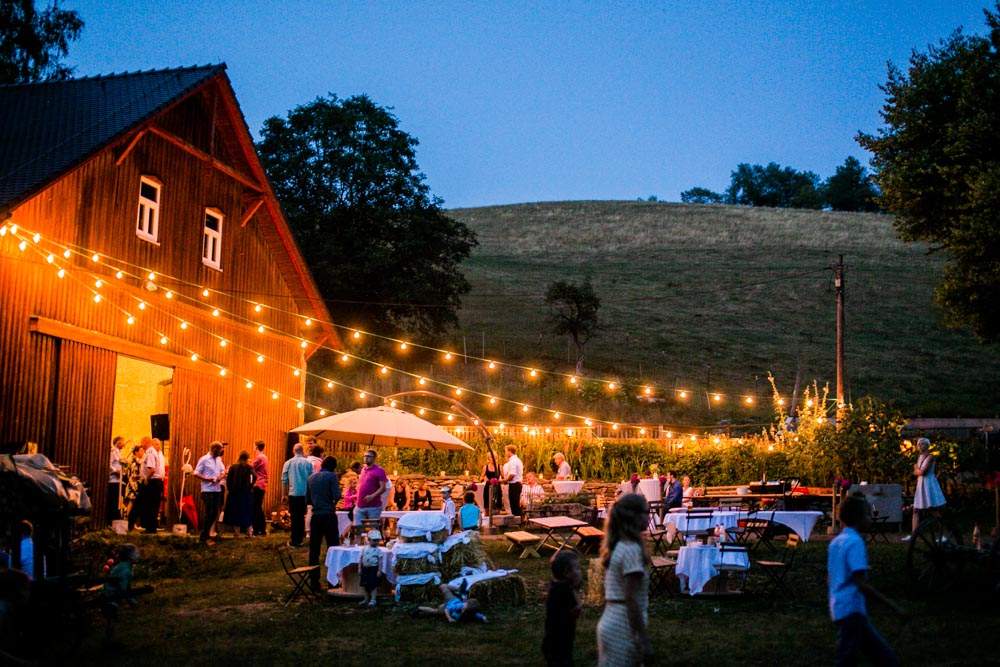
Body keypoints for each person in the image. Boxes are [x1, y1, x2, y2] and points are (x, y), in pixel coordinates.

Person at [828, 493, 906, 666]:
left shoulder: (836, 542)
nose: (871, 518)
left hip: (839, 608)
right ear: (859, 518)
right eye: (868, 515)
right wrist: (892, 606)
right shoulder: (855, 543)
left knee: (881, 655)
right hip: (852, 609)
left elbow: (830, 578)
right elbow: (861, 583)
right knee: (848, 659)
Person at [597, 493, 653, 667]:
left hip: (611, 617)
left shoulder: (620, 545)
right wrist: (642, 637)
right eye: (645, 512)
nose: (649, 517)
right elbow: (631, 597)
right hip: (623, 625)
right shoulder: (631, 549)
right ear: (633, 516)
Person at [99, 543, 149, 643]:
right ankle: (109, 642)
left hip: (107, 595)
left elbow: (124, 585)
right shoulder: (125, 570)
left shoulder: (122, 566)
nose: (138, 555)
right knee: (111, 620)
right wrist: (131, 601)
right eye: (136, 553)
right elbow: (123, 589)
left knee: (111, 620)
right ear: (129, 556)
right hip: (110, 597)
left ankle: (109, 641)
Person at [542, 550, 583, 667]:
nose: (580, 571)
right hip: (559, 641)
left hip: (553, 640)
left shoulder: (555, 586)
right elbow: (577, 610)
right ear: (566, 572)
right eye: (577, 568)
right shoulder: (564, 590)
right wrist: (575, 589)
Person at [306, 456, 341, 590]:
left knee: (314, 549)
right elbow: (336, 495)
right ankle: (333, 581)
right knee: (333, 548)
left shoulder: (311, 478)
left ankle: (314, 581)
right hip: (328, 515)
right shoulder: (331, 476)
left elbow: (308, 500)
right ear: (333, 467)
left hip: (316, 516)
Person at [907, 437, 947, 539]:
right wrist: (917, 471)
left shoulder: (930, 457)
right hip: (921, 484)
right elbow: (918, 470)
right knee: (916, 509)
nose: (920, 446)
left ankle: (943, 533)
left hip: (929, 484)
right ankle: (914, 534)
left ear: (927, 446)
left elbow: (922, 472)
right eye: (919, 444)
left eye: (922, 444)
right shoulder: (920, 457)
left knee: (932, 509)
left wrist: (917, 471)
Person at [281, 443, 314, 547]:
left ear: (293, 451)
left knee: (294, 517)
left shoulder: (288, 463)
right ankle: (300, 538)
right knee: (301, 516)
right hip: (304, 494)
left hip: (293, 493)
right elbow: (312, 479)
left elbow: (284, 480)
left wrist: (283, 495)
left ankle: (295, 540)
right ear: (302, 451)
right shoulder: (308, 463)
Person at [194, 441, 226, 545]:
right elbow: (196, 473)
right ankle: (205, 537)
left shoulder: (219, 460)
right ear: (214, 450)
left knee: (214, 513)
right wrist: (207, 479)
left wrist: (220, 477)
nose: (221, 452)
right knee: (210, 513)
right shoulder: (204, 459)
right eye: (220, 450)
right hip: (207, 490)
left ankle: (205, 535)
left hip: (217, 489)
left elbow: (223, 471)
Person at [413, 582, 487, 623]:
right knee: (443, 586)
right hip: (452, 601)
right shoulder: (459, 606)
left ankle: (418, 608)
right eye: (464, 605)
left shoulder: (470, 611)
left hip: (449, 603)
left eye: (465, 608)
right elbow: (447, 610)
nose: (463, 607)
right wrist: (450, 618)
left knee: (435, 611)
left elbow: (477, 614)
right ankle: (460, 589)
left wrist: (483, 617)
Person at [224, 450, 255, 537]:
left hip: (234, 493)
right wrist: (250, 485)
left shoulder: (233, 467)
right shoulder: (249, 468)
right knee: (247, 512)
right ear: (247, 458)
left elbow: (228, 479)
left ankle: (236, 533)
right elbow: (254, 476)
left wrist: (229, 488)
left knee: (235, 512)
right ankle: (249, 532)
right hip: (246, 493)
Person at [355, 449, 388, 528]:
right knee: (358, 530)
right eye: (365, 456)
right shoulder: (363, 470)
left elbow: (383, 488)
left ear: (374, 458)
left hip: (373, 506)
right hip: (359, 506)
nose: (366, 458)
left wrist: (372, 496)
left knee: (373, 531)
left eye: (369, 456)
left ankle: (373, 537)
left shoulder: (380, 471)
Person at [139, 437, 165, 534]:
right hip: (157, 481)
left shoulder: (150, 453)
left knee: (150, 505)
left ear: (145, 442)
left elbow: (152, 469)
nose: (141, 446)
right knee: (154, 505)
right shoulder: (155, 453)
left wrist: (146, 479)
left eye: (142, 443)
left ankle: (150, 528)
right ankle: (152, 527)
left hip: (152, 482)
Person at [124, 440, 146, 531]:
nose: (143, 452)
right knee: (131, 503)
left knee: (135, 504)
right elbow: (132, 475)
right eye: (141, 451)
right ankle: (128, 522)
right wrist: (141, 475)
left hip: (136, 484)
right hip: (133, 485)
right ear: (136, 452)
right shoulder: (133, 461)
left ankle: (133, 523)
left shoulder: (138, 461)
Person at [359, 529, 384, 607]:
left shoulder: (378, 551)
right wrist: (359, 568)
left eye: (378, 540)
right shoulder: (364, 548)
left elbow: (380, 561)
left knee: (373, 585)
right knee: (366, 585)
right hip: (365, 568)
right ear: (369, 540)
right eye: (374, 540)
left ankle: (373, 599)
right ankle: (366, 599)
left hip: (373, 569)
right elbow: (361, 558)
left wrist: (379, 570)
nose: (376, 542)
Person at [250, 440, 269, 537]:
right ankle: (261, 528)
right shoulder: (264, 457)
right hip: (263, 484)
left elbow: (250, 467)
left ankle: (258, 529)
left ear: (256, 447)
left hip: (258, 484)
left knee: (255, 507)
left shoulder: (259, 458)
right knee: (258, 506)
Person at [501, 445, 524, 517]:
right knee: (514, 504)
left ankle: (519, 519)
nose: (505, 453)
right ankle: (519, 518)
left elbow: (512, 475)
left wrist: (503, 480)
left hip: (514, 485)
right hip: (517, 484)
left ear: (510, 452)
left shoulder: (513, 461)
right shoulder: (517, 460)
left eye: (506, 451)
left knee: (514, 505)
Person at [108, 436, 124, 524]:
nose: (123, 444)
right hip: (113, 480)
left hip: (118, 480)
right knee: (113, 500)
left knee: (117, 500)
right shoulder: (113, 452)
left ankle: (116, 518)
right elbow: (109, 464)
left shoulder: (119, 453)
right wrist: (115, 470)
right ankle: (111, 519)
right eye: (122, 442)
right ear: (117, 442)